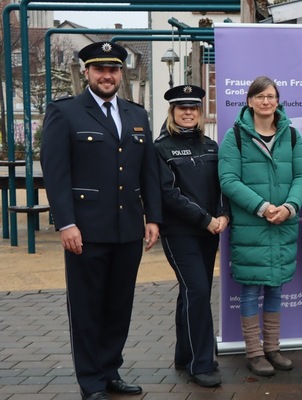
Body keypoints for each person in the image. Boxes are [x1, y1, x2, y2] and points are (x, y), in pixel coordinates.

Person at [40, 41, 161, 400]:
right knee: (87, 306)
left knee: (118, 304)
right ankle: (91, 380)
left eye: (113, 70)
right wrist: (65, 223)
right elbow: (56, 173)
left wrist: (153, 217)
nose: (107, 76)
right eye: (99, 69)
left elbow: (148, 171)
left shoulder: (136, 114)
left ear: (121, 74)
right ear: (88, 73)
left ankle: (111, 370)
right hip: (86, 230)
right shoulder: (65, 113)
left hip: (127, 228)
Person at [218, 76, 302, 376]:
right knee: (249, 290)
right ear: (249, 101)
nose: (266, 101)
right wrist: (262, 207)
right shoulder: (236, 137)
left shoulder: (291, 136)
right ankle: (254, 353)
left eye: (271, 96)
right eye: (260, 96)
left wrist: (289, 206)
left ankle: (273, 348)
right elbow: (228, 180)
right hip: (251, 226)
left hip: (283, 224)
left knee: (275, 288)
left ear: (278, 100)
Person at [154, 85, 228, 387]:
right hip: (181, 232)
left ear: (200, 112)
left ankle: (184, 356)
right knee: (197, 292)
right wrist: (205, 219)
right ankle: (202, 364)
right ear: (172, 112)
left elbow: (224, 184)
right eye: (182, 108)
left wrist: (223, 215)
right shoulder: (161, 148)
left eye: (193, 108)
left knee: (192, 293)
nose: (188, 113)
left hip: (210, 231)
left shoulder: (211, 146)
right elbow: (168, 194)